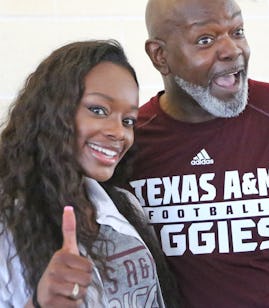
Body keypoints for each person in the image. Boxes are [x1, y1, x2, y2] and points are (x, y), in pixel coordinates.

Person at [126, 0, 269, 307]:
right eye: (205, 39)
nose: (232, 50)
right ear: (160, 56)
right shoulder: (130, 142)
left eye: (237, 31)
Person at [0, 39, 178, 307]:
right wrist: (40, 303)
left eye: (127, 120)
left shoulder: (124, 205)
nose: (118, 132)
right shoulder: (8, 220)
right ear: (51, 111)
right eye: (98, 110)